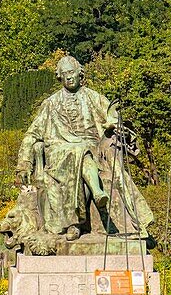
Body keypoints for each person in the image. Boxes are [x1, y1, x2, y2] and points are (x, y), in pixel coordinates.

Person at [16, 55, 154, 241]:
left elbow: (113, 117)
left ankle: (84, 220)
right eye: (64, 74)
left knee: (83, 151)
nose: (69, 77)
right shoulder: (50, 104)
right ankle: (94, 196)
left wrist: (117, 127)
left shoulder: (93, 97)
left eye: (72, 73)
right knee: (77, 150)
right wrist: (24, 162)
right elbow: (32, 134)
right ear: (60, 77)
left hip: (93, 148)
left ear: (79, 74)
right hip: (60, 150)